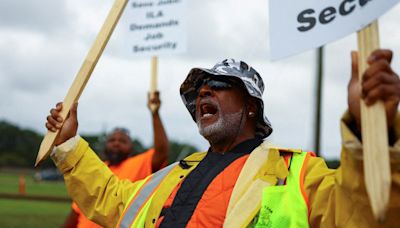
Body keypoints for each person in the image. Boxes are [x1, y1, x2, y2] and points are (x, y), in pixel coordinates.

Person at [46, 49, 400, 227]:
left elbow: (367, 212)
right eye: (199, 91)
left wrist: (372, 131)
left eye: (217, 86)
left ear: (250, 106)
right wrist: (69, 144)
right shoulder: (172, 175)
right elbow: (114, 199)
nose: (203, 95)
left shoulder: (297, 173)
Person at [61, 92, 169, 228]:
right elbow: (77, 211)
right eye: (112, 140)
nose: (116, 143)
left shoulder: (139, 163)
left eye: (122, 141)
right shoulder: (95, 167)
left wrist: (155, 113)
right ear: (105, 144)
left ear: (131, 147)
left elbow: (162, 151)